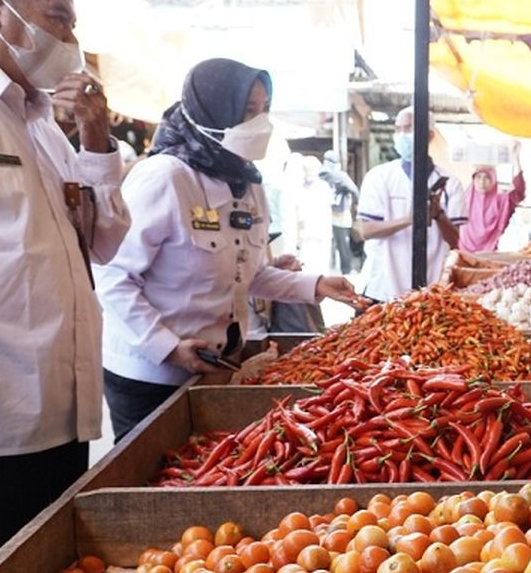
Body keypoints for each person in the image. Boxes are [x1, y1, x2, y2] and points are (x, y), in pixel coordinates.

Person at [0, 0, 131, 573]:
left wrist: (97, 140)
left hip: (65, 412)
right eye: (58, 19)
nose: (69, 41)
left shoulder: (41, 121)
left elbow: (103, 243)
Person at [95, 58, 368, 441]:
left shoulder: (248, 183)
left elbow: (249, 276)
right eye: (247, 111)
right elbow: (112, 276)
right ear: (214, 112)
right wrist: (168, 347)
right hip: (151, 375)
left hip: (216, 364)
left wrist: (317, 284)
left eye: (265, 109)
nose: (260, 122)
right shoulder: (165, 178)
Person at [355, 107, 467, 302]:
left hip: (429, 291)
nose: (401, 135)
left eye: (408, 129)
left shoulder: (450, 183)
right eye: (398, 129)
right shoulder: (379, 177)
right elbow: (366, 230)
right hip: (382, 288)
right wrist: (409, 219)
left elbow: (457, 242)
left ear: (429, 135)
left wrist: (438, 215)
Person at [460, 143, 525, 252]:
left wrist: (516, 158)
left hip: (489, 257)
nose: (482, 182)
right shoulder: (463, 200)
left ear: (494, 180)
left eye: (487, 178)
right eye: (478, 177)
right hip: (463, 253)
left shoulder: (501, 202)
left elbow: (519, 192)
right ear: (473, 180)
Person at [321, 149, 361, 272]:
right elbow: (354, 190)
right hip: (340, 214)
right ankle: (346, 270)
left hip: (322, 213)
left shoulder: (319, 174)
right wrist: (358, 205)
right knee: (343, 245)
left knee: (326, 245)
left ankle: (328, 269)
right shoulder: (341, 176)